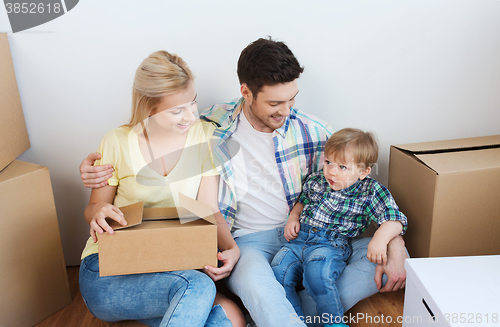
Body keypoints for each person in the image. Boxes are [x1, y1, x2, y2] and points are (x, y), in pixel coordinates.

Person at [80, 38, 408, 327]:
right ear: (246, 92)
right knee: (246, 287)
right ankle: (278, 311)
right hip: (249, 243)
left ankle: (277, 314)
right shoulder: (213, 128)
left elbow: (363, 187)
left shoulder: (315, 131)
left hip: (309, 235)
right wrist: (91, 175)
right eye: (275, 103)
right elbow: (144, 159)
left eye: (292, 99)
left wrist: (396, 242)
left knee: (373, 256)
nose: (286, 111)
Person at [78, 50, 244, 327]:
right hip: (107, 269)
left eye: (192, 104)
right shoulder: (117, 142)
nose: (190, 116)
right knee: (198, 288)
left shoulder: (203, 137)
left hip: (172, 267)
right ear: (148, 107)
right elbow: (93, 208)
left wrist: (232, 248)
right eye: (176, 110)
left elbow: (208, 210)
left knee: (230, 320)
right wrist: (98, 211)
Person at [272, 128, 408, 327]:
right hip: (297, 240)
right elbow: (302, 202)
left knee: (317, 275)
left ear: (363, 171)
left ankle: (334, 322)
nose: (332, 171)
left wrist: (379, 239)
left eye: (342, 167)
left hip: (329, 245)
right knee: (278, 272)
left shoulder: (370, 191)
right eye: (328, 162)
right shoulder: (317, 180)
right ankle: (294, 322)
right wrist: (293, 217)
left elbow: (395, 220)